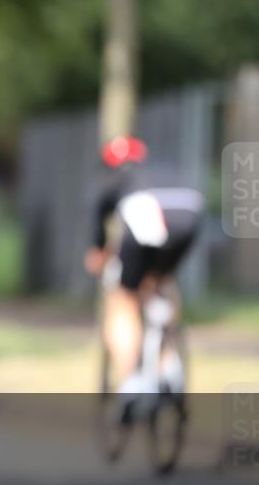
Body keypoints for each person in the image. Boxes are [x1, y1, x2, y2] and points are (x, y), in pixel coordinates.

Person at [84, 136, 204, 401]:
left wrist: (99, 256)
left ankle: (131, 381)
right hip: (189, 212)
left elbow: (99, 231)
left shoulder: (114, 180)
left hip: (147, 213)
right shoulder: (160, 171)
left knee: (122, 299)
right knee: (162, 280)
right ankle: (169, 363)